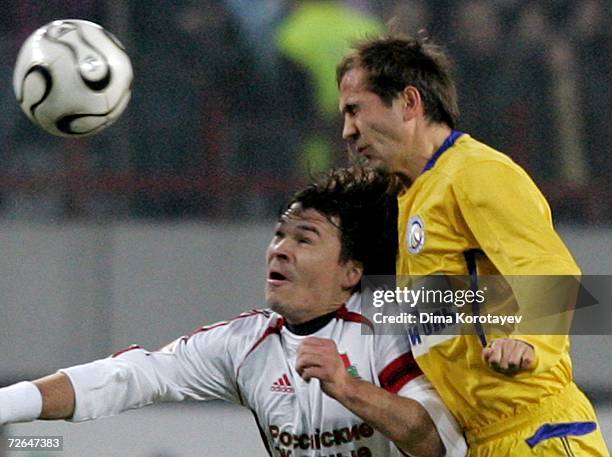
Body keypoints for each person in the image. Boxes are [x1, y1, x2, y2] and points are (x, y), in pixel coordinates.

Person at [0, 168, 466, 457]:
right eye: (279, 235)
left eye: (303, 239)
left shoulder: (393, 311)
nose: (280, 250)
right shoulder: (245, 344)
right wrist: (8, 402)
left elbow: (436, 444)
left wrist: (348, 388)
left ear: (351, 271)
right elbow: (128, 376)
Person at [336, 35, 609, 456]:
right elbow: (449, 309)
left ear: (409, 102)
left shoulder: (475, 172)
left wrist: (531, 341)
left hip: (537, 435)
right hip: (479, 442)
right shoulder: (412, 196)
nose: (348, 131)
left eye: (356, 110)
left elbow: (552, 273)